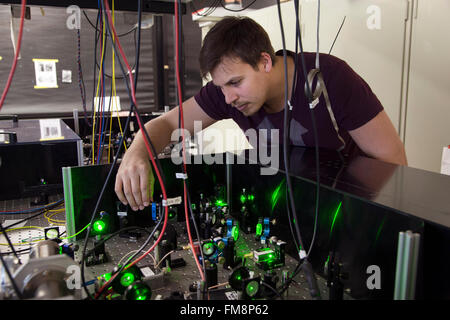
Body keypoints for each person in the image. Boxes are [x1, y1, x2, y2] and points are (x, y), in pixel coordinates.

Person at [115, 16, 407, 211]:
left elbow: (394, 163)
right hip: (286, 207)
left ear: (265, 61)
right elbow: (167, 123)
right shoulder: (227, 94)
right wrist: (136, 152)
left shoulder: (330, 79)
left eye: (235, 83)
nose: (228, 98)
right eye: (220, 86)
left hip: (344, 210)